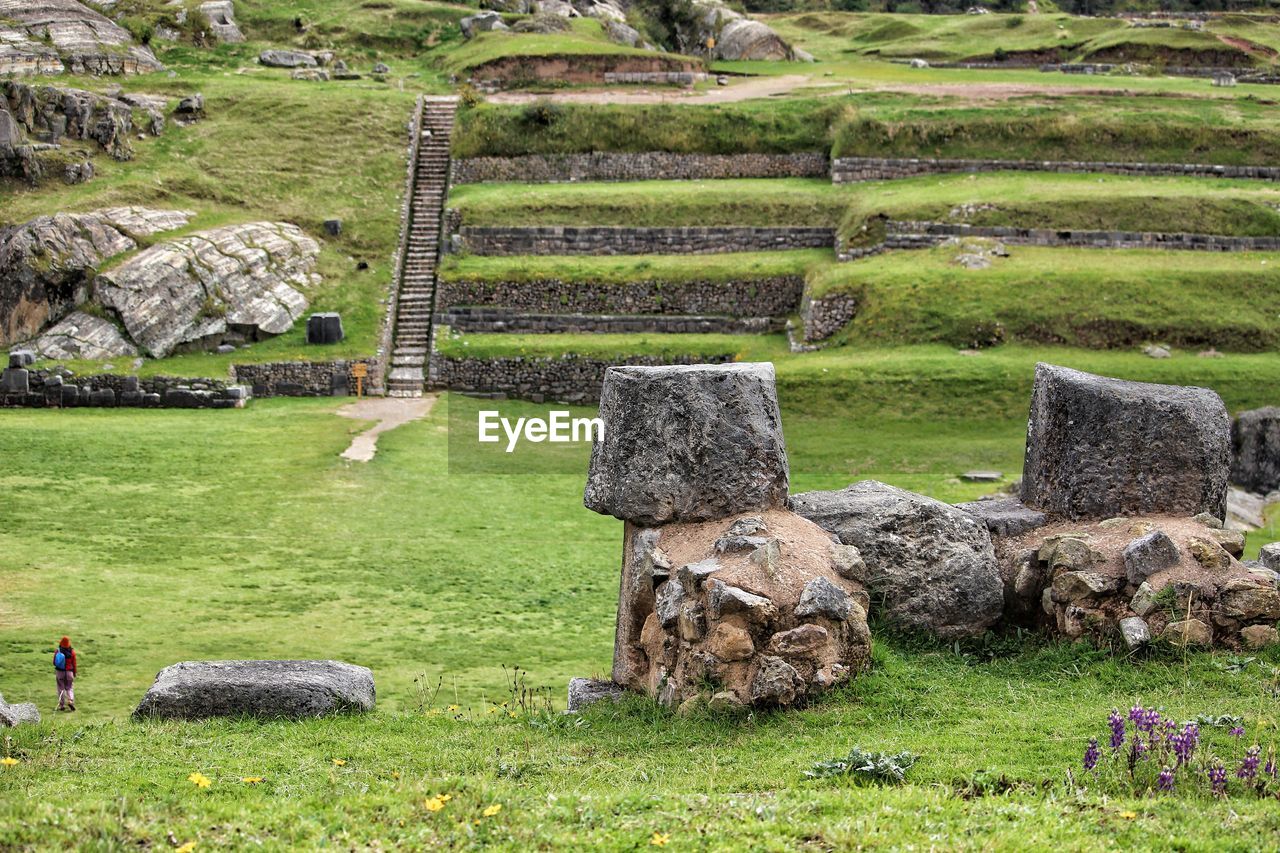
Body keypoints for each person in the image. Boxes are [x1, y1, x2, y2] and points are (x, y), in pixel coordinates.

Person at [54, 636, 77, 712]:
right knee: (69, 688)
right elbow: (74, 663)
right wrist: (74, 672)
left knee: (61, 689)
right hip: (69, 672)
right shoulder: (72, 652)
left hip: (60, 672)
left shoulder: (58, 651)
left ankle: (61, 705)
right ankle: (70, 701)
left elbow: (54, 662)